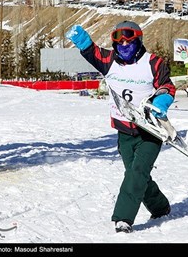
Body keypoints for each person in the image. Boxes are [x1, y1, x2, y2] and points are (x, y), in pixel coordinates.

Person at [66, 21, 176, 233]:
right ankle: (160, 206)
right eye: (120, 42)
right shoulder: (109, 61)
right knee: (137, 175)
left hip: (150, 132)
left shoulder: (153, 62)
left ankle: (123, 218)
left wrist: (161, 103)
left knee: (136, 173)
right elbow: (92, 52)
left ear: (138, 41)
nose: (124, 45)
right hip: (124, 133)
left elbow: (167, 86)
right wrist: (82, 41)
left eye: (129, 41)